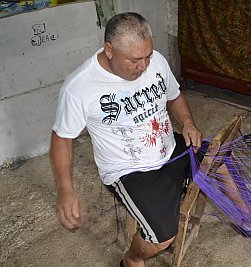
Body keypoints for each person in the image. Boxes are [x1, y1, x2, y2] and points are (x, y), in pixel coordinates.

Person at [49, 12, 202, 267]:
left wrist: (188, 122)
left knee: (222, 160)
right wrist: (66, 191)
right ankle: (131, 258)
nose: (143, 66)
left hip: (170, 147)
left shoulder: (155, 62)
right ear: (109, 50)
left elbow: (173, 96)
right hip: (130, 171)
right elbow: (62, 138)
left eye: (147, 57)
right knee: (162, 238)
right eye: (135, 60)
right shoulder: (79, 86)